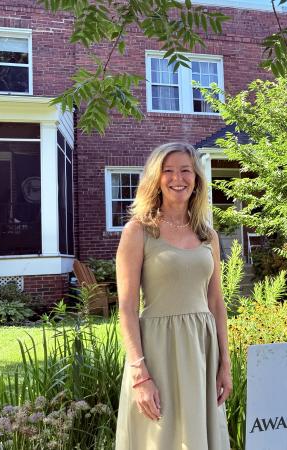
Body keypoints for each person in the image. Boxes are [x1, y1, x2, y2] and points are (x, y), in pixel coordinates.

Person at [114, 142, 232, 449]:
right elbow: (126, 308)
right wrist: (140, 374)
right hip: (158, 351)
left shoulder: (208, 234)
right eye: (168, 171)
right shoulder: (138, 231)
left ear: (196, 179)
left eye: (185, 170)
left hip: (201, 349)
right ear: (156, 178)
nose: (177, 178)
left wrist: (225, 364)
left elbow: (216, 302)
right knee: (160, 438)